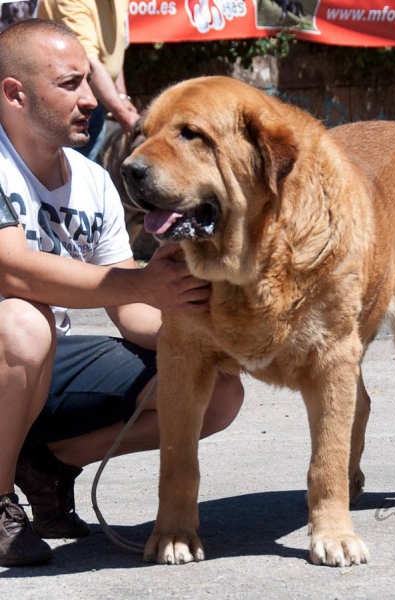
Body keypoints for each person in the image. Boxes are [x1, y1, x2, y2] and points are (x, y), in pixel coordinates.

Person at [0, 19, 244, 567]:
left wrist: (217, 337)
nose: (90, 99)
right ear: (14, 94)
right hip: (14, 344)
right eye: (69, 85)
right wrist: (140, 281)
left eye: (89, 81)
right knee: (22, 321)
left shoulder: (91, 181)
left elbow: (131, 310)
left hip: (33, 368)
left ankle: (48, 467)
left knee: (215, 387)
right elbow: (10, 270)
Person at [38, 0, 140, 161]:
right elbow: (89, 62)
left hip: (95, 101)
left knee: (84, 173)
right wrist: (123, 115)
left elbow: (112, 56)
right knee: (61, 174)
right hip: (63, 106)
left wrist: (121, 96)